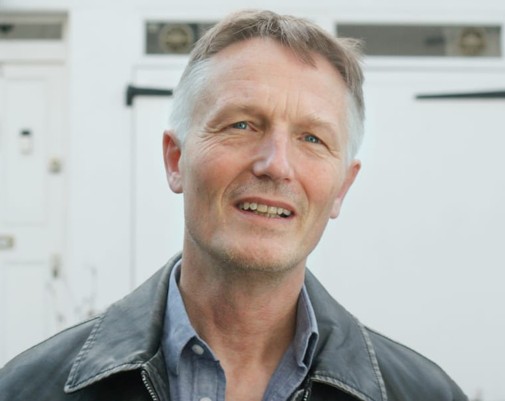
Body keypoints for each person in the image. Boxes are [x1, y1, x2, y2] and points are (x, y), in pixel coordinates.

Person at [0, 9, 468, 401]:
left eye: (311, 138)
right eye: (241, 125)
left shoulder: (427, 395)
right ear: (176, 160)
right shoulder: (27, 390)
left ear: (342, 188)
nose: (276, 165)